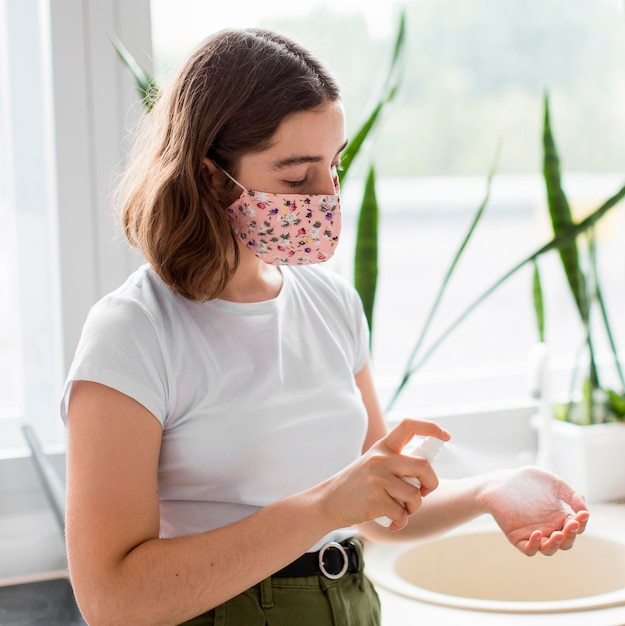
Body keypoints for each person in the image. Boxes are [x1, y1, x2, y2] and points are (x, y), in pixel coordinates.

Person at [61, 28, 589, 626]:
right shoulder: (133, 333)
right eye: (295, 177)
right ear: (211, 176)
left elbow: (374, 510)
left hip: (351, 606)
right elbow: (113, 601)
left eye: (334, 166)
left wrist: (494, 488)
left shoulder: (332, 304)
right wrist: (322, 508)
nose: (327, 196)